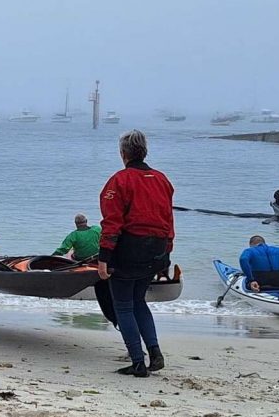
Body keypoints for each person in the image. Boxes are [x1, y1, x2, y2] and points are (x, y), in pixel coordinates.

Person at [97, 130, 174, 377]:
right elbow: (168, 220)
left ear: (123, 154)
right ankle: (155, 351)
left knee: (123, 305)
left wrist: (104, 258)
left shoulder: (119, 181)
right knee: (139, 300)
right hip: (157, 249)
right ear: (145, 151)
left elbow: (112, 223)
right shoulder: (162, 179)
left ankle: (138, 362)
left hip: (129, 248)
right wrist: (166, 255)